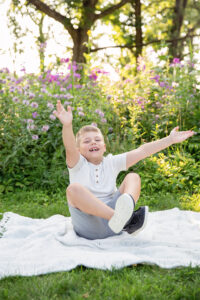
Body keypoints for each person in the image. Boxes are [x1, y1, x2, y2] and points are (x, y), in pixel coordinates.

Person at [53, 100, 195, 240]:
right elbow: (70, 147)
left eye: (97, 140)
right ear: (79, 150)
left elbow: (142, 151)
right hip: (88, 226)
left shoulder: (111, 162)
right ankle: (127, 220)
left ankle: (122, 216)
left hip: (114, 227)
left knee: (133, 177)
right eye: (87, 141)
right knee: (73, 189)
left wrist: (169, 140)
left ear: (104, 147)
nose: (93, 142)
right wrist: (67, 125)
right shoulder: (78, 164)